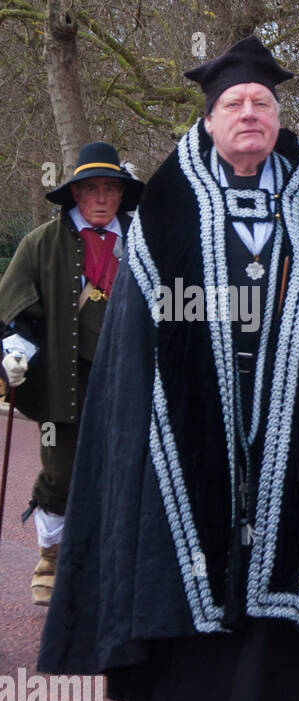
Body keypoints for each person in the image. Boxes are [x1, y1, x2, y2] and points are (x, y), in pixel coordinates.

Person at [37, 35, 299, 701]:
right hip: (181, 420)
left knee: (269, 572)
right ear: (212, 119)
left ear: (279, 116)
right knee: (180, 564)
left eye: (262, 103)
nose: (249, 113)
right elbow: (136, 327)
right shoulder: (168, 199)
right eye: (234, 104)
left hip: (290, 425)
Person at [0, 141, 142, 606]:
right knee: (59, 475)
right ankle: (51, 560)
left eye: (109, 189)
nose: (101, 198)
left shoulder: (145, 242)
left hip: (131, 379)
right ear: (74, 194)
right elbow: (16, 310)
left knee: (128, 473)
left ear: (121, 195)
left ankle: (117, 569)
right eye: (90, 189)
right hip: (65, 380)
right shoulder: (40, 242)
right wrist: (15, 353)